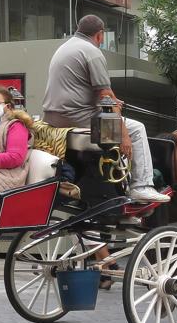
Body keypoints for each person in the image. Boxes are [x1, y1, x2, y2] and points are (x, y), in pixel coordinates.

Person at [43, 15, 168, 204]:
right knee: (137, 129)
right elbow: (105, 95)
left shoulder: (65, 47)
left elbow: (87, 89)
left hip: (53, 117)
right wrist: (123, 133)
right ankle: (141, 186)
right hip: (77, 117)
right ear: (100, 35)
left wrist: (112, 100)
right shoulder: (91, 51)